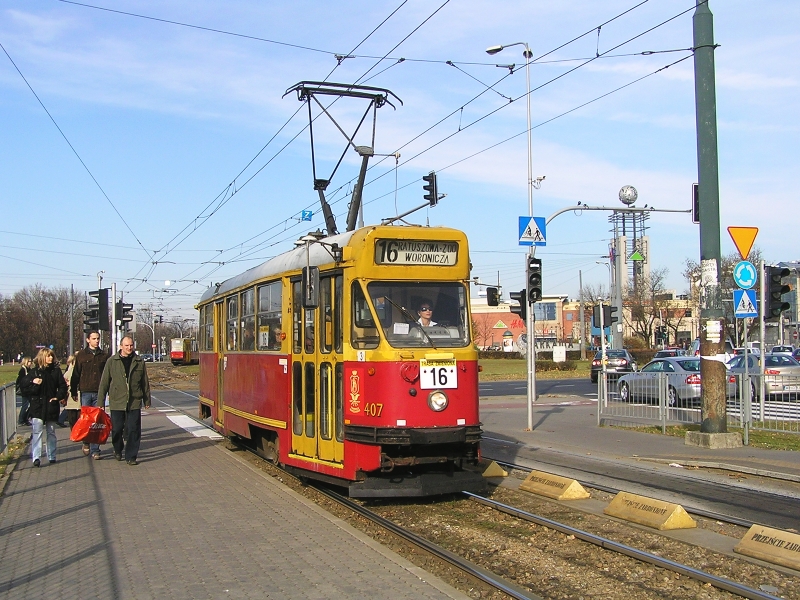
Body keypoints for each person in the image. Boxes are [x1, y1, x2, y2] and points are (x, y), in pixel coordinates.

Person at [98, 336, 151, 465]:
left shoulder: (139, 361)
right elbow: (104, 382)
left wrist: (147, 400)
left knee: (134, 429)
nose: (129, 348)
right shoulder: (112, 361)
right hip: (117, 401)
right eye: (126, 346)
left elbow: (145, 382)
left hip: (134, 401)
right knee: (116, 429)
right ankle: (117, 449)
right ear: (121, 346)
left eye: (131, 345)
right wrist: (100, 402)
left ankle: (131, 456)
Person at [21, 348, 67, 467]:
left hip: (51, 405)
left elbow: (62, 386)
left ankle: (51, 455)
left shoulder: (56, 372)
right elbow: (24, 386)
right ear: (42, 357)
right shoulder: (34, 372)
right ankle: (36, 457)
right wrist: (34, 382)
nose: (50, 358)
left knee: (51, 431)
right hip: (38, 406)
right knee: (37, 431)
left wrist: (57, 397)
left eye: (52, 356)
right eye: (48, 356)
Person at [71, 330, 110, 459]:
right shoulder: (82, 355)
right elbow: (76, 374)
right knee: (86, 419)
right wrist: (73, 391)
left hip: (99, 391)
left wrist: (107, 391)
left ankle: (95, 449)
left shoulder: (103, 356)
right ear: (88, 340)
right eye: (94, 338)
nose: (96, 341)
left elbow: (107, 375)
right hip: (86, 391)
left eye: (98, 338)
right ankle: (86, 441)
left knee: (97, 420)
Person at [58, 354, 80, 428]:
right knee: (74, 417)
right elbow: (63, 380)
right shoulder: (71, 370)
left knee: (74, 418)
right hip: (74, 396)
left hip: (76, 397)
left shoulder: (72, 370)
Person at [15, 357, 34, 426]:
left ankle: (25, 418)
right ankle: (21, 420)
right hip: (25, 391)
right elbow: (22, 381)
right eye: (29, 361)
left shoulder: (29, 369)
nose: (31, 363)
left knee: (31, 405)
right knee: (25, 406)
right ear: (26, 362)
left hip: (29, 390)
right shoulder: (23, 370)